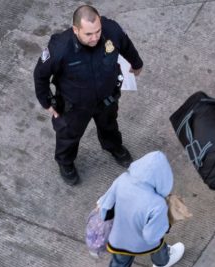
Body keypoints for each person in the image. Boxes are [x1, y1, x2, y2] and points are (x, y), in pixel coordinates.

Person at [33, 5, 143, 185]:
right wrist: (47, 102)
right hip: (75, 106)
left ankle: (114, 147)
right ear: (76, 30)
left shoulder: (111, 30)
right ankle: (65, 163)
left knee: (109, 126)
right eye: (89, 34)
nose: (95, 38)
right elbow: (40, 74)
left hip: (106, 97)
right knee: (68, 136)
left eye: (98, 31)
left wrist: (137, 63)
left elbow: (126, 44)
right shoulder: (60, 48)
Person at [89, 151, 185, 267]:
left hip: (117, 238)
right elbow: (152, 237)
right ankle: (162, 262)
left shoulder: (122, 180)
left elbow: (105, 205)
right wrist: (166, 224)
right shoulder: (156, 203)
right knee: (158, 245)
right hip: (140, 243)